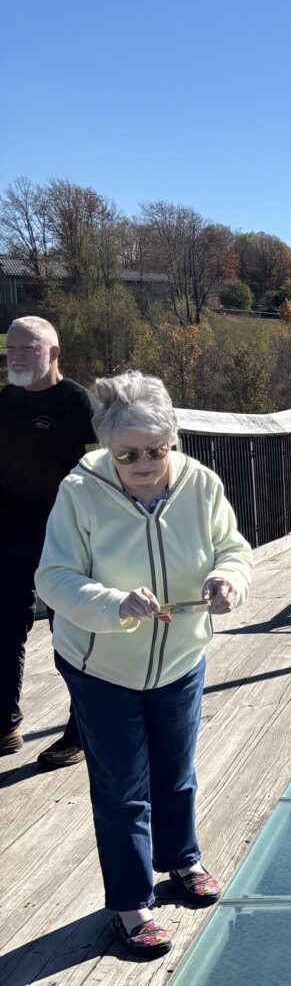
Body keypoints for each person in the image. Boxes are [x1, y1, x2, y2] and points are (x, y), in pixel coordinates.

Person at [36, 371, 254, 956]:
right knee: (121, 789)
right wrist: (113, 604)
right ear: (106, 447)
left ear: (174, 439)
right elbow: (53, 578)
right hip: (100, 665)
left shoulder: (201, 484)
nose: (143, 462)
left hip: (181, 656)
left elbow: (233, 548)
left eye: (156, 450)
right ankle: (131, 904)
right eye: (127, 452)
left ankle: (181, 861)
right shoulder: (79, 492)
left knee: (176, 771)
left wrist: (228, 579)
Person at [1, 316, 97, 769]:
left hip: (65, 540)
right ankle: (6, 723)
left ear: (54, 353)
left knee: (70, 636)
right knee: (4, 632)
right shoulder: (7, 399)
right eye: (10, 349)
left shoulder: (79, 403)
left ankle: (81, 731)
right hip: (9, 537)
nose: (14, 356)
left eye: (26, 349)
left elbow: (107, 472)